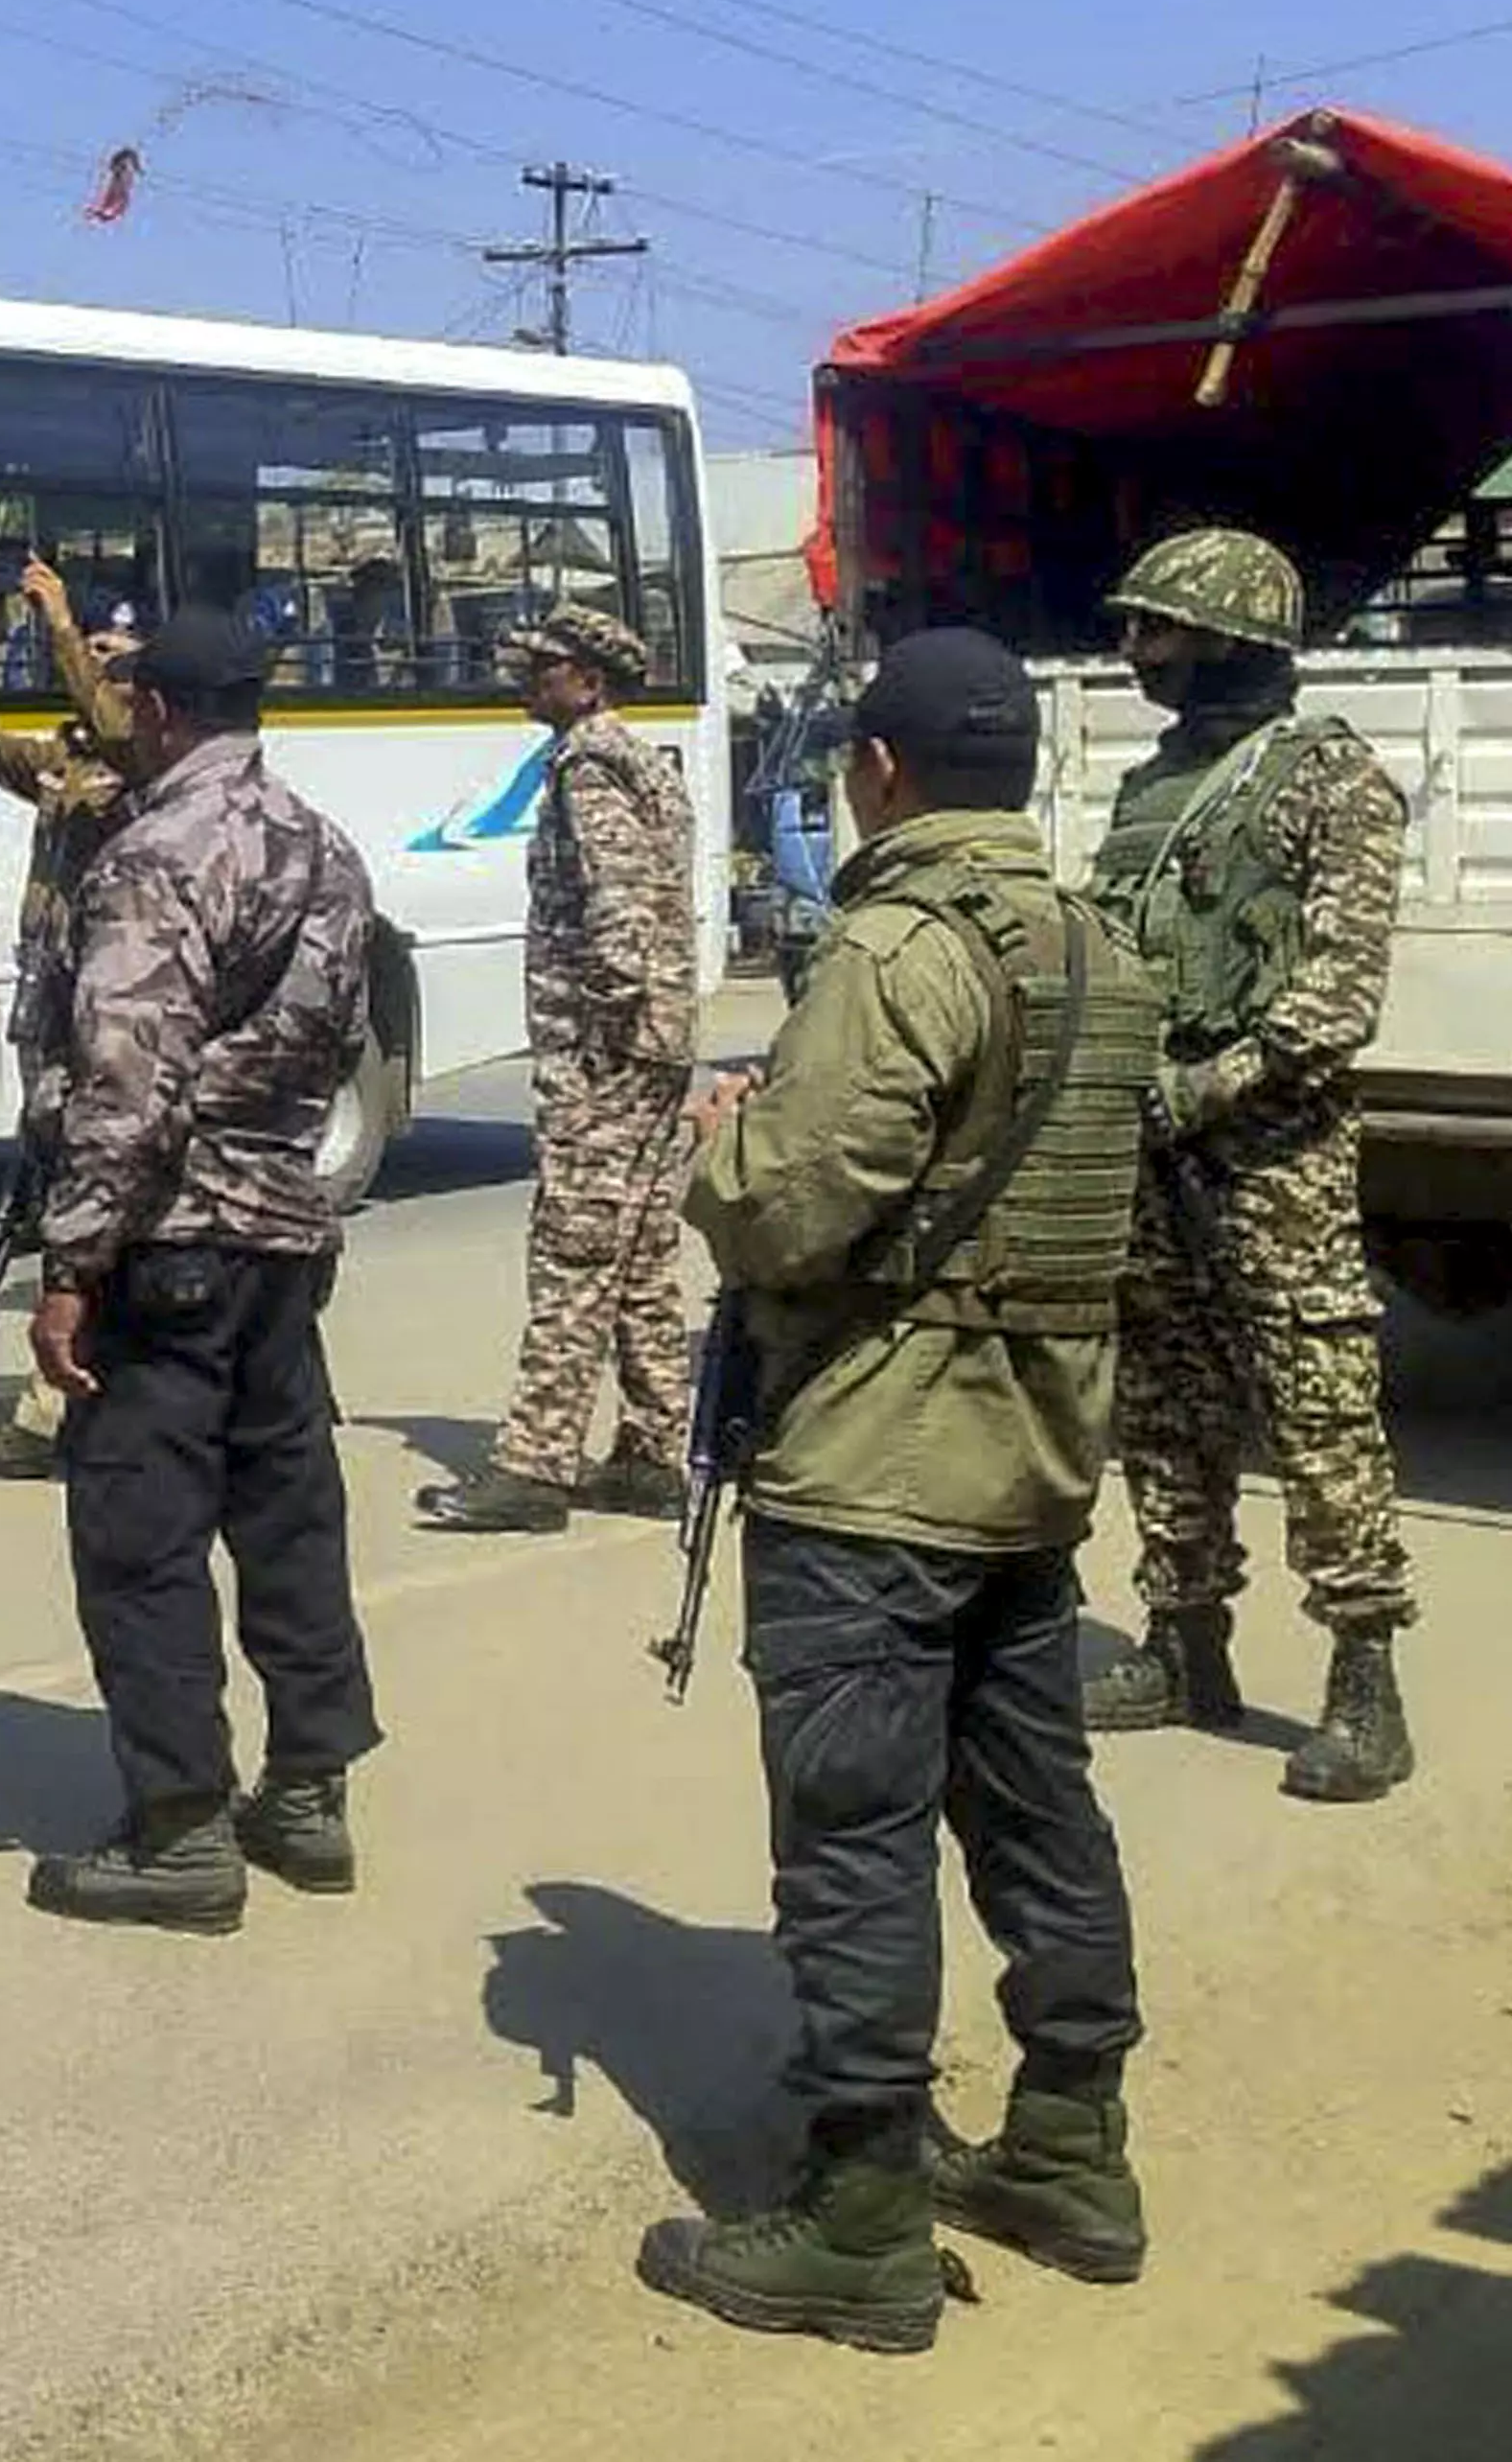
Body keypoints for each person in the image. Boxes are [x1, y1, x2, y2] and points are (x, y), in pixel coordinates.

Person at [638, 625, 1154, 2355]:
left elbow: (791, 1204)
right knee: (1034, 1802)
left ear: (878, 771)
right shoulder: (1095, 939)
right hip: (1036, 1450)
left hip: (878, 1459)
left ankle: (861, 2214)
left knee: (853, 1833)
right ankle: (1074, 2144)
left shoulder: (901, 944)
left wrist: (722, 1143)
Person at [19, 610, 381, 1935]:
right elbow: (337, 1041)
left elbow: (128, 1074)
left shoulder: (156, 853)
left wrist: (71, 1263)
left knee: (143, 1534)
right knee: (289, 1516)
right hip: (284, 1232)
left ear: (161, 711)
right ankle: (307, 1791)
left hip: (171, 1237)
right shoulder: (324, 846)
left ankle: (179, 1828)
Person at [1077, 526, 1421, 1803]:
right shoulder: (1152, 784)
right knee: (1165, 1403)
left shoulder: (1332, 780)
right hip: (1153, 1144)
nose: (1135, 653)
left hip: (1275, 1154)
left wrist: (1204, 1090)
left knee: (1319, 1408)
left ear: (1229, 636)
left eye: (1156, 629)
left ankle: (1363, 1678)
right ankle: (1182, 1643)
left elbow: (1337, 999)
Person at [422, 606, 703, 1532]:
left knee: (575, 1251)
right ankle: (656, 1451)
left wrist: (608, 1030)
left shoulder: (588, 764)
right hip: (650, 1047)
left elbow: (618, 909)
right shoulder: (644, 761)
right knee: (643, 1252)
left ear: (588, 678)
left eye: (542, 668)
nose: (524, 682)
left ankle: (534, 1467)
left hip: (606, 1054)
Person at [0, 554, 136, 1482]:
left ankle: (52, 1411)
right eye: (95, 650)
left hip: (123, 1019)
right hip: (54, 1012)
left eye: (118, 654)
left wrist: (60, 630)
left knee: (94, 1209)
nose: (103, 668)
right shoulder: (66, 759)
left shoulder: (152, 760)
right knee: (81, 1203)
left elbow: (122, 731)